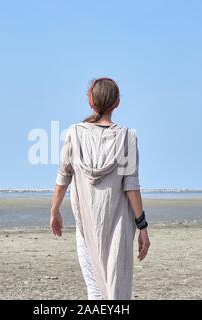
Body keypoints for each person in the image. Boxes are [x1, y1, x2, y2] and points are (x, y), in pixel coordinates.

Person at [50, 77, 150, 300]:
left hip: (86, 226)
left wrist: (54, 211)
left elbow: (63, 177)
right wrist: (142, 226)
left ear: (90, 102)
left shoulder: (74, 133)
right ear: (117, 103)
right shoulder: (127, 137)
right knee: (117, 290)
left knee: (95, 290)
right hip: (119, 226)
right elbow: (131, 186)